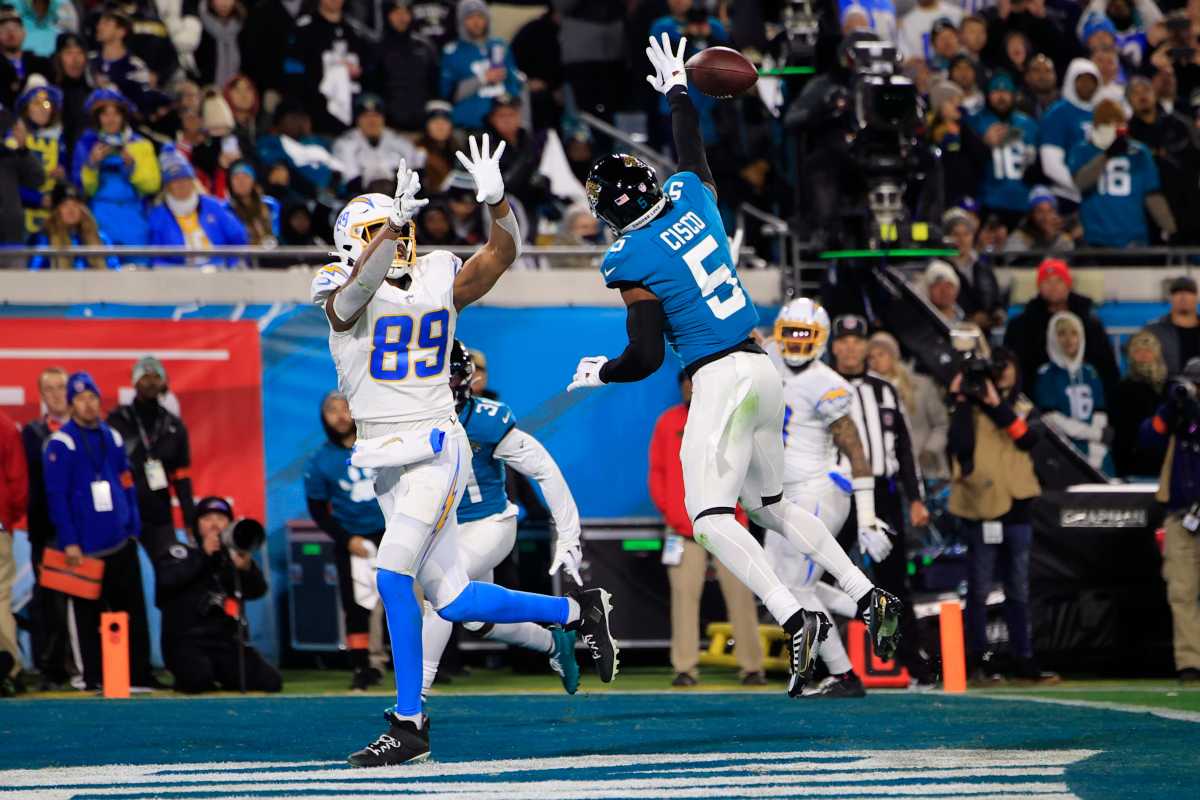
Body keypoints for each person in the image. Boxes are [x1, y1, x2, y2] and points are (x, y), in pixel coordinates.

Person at [568, 33, 902, 700]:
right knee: (770, 505)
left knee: (709, 517)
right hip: (763, 365)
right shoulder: (693, 197)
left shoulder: (627, 259)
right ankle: (866, 594)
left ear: (609, 212)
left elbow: (646, 355)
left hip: (718, 376)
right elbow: (692, 149)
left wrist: (599, 373)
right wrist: (678, 94)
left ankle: (795, 612)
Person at [312, 142, 617, 767]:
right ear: (351, 241)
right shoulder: (336, 284)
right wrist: (390, 224)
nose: (397, 240)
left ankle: (409, 722)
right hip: (383, 455)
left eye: (400, 227)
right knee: (450, 598)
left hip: (432, 443)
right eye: (375, 232)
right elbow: (353, 301)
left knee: (394, 574)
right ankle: (576, 610)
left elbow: (503, 254)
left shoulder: (435, 272)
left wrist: (498, 202)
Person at [762, 300, 911, 698]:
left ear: (819, 339)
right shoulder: (767, 354)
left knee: (796, 585)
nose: (794, 343)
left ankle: (844, 674)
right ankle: (874, 610)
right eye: (789, 333)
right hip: (780, 494)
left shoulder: (828, 384)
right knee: (775, 584)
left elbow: (856, 449)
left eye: (804, 335)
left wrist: (866, 517)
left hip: (818, 491)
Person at [418, 341, 583, 699]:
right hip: (443, 531)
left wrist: (569, 534)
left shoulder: (486, 421)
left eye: (445, 378)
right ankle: (554, 643)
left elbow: (544, 470)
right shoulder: (406, 418)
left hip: (489, 524)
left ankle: (413, 706)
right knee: (478, 620)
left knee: (440, 594)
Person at [828, 314, 933, 686]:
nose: (851, 347)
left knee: (893, 582)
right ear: (834, 345)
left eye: (858, 341)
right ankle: (828, 665)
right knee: (823, 576)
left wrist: (916, 497)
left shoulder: (885, 390)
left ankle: (912, 664)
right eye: (844, 341)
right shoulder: (818, 385)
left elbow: (903, 449)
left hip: (883, 494)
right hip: (835, 493)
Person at [947, 347, 1058, 684]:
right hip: (980, 506)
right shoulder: (968, 408)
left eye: (1006, 365)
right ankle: (977, 662)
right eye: (996, 367)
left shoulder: (1022, 406)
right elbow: (960, 446)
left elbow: (1028, 439)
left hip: (1018, 508)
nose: (1002, 371)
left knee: (1019, 590)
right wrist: (962, 399)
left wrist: (996, 405)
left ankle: (1024, 660)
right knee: (978, 590)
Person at [648, 370, 765, 688]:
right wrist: (672, 514)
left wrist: (740, 513)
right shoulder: (668, 423)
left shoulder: (730, 421)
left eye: (695, 382)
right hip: (683, 530)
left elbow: (748, 468)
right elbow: (657, 473)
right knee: (684, 598)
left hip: (727, 525)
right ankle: (685, 667)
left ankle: (752, 667)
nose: (690, 387)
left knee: (741, 595)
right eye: (685, 382)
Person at [42, 372, 155, 691]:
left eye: (92, 397)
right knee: (85, 616)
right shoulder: (61, 443)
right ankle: (90, 675)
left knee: (131, 610)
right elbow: (57, 497)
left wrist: (132, 523)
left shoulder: (112, 437)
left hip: (120, 540)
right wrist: (70, 542)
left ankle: (137, 675)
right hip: (84, 547)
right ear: (71, 405)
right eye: (80, 399)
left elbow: (126, 480)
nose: (88, 404)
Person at [304, 389, 388, 690]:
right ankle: (362, 665)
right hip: (352, 539)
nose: (340, 415)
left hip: (390, 533)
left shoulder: (380, 445)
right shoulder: (320, 461)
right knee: (356, 606)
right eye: (332, 410)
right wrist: (345, 538)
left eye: (346, 408)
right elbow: (317, 509)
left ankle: (424, 662)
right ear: (323, 417)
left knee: (407, 598)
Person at [155, 495, 282, 693]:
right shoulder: (179, 553)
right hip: (186, 641)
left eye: (221, 519)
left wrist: (245, 568)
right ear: (195, 526)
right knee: (197, 681)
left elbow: (257, 591)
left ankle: (226, 675)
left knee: (270, 681)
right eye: (207, 519)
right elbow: (168, 582)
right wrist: (204, 555)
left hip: (224, 642)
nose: (215, 525)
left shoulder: (232, 559)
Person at [1140, 358, 1200, 683]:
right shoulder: (1177, 415)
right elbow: (1147, 437)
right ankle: (1190, 662)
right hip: (1180, 514)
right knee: (1181, 590)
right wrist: (1171, 407)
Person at [106, 356, 195, 560]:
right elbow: (102, 472)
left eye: (157, 377)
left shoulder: (174, 426)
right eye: (145, 377)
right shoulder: (117, 421)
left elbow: (182, 479)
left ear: (164, 381)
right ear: (135, 382)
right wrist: (104, 512)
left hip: (159, 516)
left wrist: (190, 521)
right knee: (125, 577)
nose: (152, 382)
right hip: (123, 515)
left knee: (170, 573)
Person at [1003, 258, 1120, 404]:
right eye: (1047, 281)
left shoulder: (1090, 323)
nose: (1053, 287)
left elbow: (1106, 368)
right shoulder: (1020, 326)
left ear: (1068, 284)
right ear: (1039, 286)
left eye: (1058, 280)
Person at [20, 366, 71, 688]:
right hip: (45, 531)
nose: (56, 393)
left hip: (82, 533)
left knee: (83, 597)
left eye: (60, 387)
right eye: (49, 388)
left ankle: (83, 664)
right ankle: (50, 667)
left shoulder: (87, 433)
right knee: (48, 599)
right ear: (41, 395)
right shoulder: (31, 434)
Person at [1069, 99, 1176, 247]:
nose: (1113, 127)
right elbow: (1080, 183)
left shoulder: (1139, 152)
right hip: (1096, 237)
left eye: (1117, 122)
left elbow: (1152, 194)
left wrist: (1169, 227)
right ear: (1096, 125)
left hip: (1133, 238)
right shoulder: (1082, 150)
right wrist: (1107, 155)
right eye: (1107, 122)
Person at [71, 88, 161, 250]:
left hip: (134, 220)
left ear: (123, 117)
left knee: (137, 272)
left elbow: (152, 185)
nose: (110, 119)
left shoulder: (141, 145)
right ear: (98, 118)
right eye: (105, 114)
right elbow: (83, 190)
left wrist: (132, 168)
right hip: (99, 220)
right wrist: (92, 164)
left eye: (115, 114)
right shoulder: (86, 144)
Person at [1034, 311, 1113, 474]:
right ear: (1053, 338)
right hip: (1064, 453)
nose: (1069, 339)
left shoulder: (1090, 371)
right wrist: (1095, 434)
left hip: (1095, 453)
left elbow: (1100, 412)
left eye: (1074, 333)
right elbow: (1051, 418)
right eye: (1062, 334)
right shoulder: (1047, 374)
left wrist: (1096, 455)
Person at [147, 149, 248, 267]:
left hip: (218, 271)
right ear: (168, 186)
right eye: (175, 181)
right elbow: (155, 257)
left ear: (192, 181)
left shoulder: (213, 206)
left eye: (185, 179)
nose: (182, 185)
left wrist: (230, 264)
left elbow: (238, 238)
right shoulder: (158, 215)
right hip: (177, 276)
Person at [868, 331, 949, 480]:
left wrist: (929, 451)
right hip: (890, 473)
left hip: (927, 470)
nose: (876, 361)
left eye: (881, 354)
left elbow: (941, 424)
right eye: (871, 357)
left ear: (893, 356)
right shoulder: (867, 392)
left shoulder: (921, 385)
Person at [287, 0, 373, 135]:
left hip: (354, 119)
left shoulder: (355, 31)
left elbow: (370, 71)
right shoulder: (304, 29)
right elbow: (292, 73)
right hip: (316, 116)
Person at [968, 71, 1039, 230]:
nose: (1001, 96)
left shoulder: (1029, 124)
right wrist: (983, 143)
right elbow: (966, 164)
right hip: (990, 203)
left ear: (1014, 95)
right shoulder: (975, 122)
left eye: (1006, 91)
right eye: (996, 90)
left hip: (1024, 204)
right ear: (987, 94)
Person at [439, 0, 522, 130]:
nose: (476, 22)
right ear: (461, 21)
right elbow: (448, 94)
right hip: (469, 126)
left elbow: (514, 84)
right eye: (470, 17)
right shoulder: (452, 52)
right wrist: (482, 79)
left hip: (502, 128)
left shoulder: (500, 45)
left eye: (480, 16)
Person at [368, 0, 438, 133]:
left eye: (406, 12)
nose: (402, 17)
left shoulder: (425, 46)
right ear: (387, 15)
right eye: (396, 12)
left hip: (423, 127)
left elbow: (434, 87)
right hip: (389, 129)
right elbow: (372, 88)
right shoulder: (375, 47)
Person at [1039, 58, 1102, 208]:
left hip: (1096, 199)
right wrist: (1078, 186)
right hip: (1066, 197)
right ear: (1071, 80)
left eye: (1091, 80)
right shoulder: (1058, 113)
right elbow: (1050, 164)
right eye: (1081, 80)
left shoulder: (1100, 114)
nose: (1087, 85)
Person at [333, 92, 418, 196]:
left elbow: (414, 176)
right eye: (366, 116)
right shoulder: (345, 144)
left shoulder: (399, 142)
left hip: (397, 198)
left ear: (383, 118)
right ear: (357, 120)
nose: (371, 121)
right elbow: (350, 182)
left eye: (376, 116)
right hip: (360, 199)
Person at [1113, 331, 1167, 478]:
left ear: (1156, 354)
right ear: (1131, 355)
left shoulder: (1168, 387)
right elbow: (1120, 431)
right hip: (1134, 459)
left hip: (1163, 458)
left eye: (1148, 350)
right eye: (1138, 351)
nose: (1143, 355)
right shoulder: (1123, 388)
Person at [28, 183, 120, 270]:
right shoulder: (43, 239)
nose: (71, 210)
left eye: (75, 205)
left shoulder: (100, 238)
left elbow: (114, 270)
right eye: (65, 205)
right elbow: (34, 275)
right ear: (56, 211)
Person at [16, 76, 66, 237]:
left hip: (52, 217)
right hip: (18, 216)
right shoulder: (14, 138)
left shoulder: (59, 140)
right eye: (36, 103)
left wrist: (61, 177)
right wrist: (37, 199)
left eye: (46, 103)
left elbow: (69, 179)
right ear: (26, 108)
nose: (43, 108)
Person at [0, 406, 26, 695]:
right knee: (0, 597)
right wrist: (9, 518)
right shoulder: (5, 425)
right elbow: (18, 483)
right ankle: (9, 670)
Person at [1146, 276, 1200, 377]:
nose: (1183, 296)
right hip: (1167, 389)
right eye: (1177, 291)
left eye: (1189, 291)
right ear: (1170, 297)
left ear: (1196, 297)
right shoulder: (1154, 332)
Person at [0, 4, 51, 109]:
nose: (10, 33)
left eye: (15, 28)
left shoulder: (41, 64)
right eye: (4, 29)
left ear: (24, 32)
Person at [1004, 186, 1074, 253]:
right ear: (1031, 214)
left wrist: (1051, 238)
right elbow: (1018, 263)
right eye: (1040, 211)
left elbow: (1072, 261)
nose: (1045, 217)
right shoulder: (1018, 238)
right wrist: (1045, 240)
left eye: (1050, 211)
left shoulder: (1063, 238)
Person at [226, 160, 279, 247]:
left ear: (253, 180)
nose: (241, 182)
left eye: (246, 177)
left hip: (267, 252)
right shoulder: (225, 209)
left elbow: (275, 234)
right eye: (236, 178)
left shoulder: (270, 205)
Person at [924, 259, 963, 325]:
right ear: (928, 290)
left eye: (948, 286)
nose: (944, 291)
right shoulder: (922, 323)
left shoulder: (967, 321)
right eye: (937, 286)